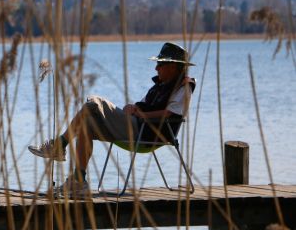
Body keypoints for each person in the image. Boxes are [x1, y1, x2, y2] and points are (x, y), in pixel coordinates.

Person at [28, 42, 196, 197]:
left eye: (160, 64)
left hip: (146, 134)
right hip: (137, 126)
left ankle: (59, 145)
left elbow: (170, 114)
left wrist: (141, 115)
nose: (156, 68)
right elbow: (142, 106)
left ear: (173, 66)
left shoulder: (184, 87)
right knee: (86, 125)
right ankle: (79, 181)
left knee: (94, 103)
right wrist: (132, 108)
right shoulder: (161, 85)